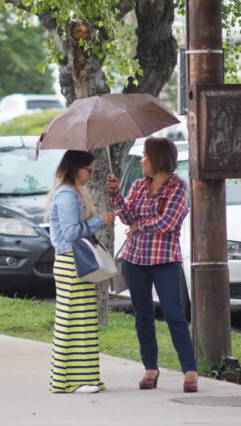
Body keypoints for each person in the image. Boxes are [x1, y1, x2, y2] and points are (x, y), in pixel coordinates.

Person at [107, 136, 198, 392]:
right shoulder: (137, 185)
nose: (142, 160)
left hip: (165, 261)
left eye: (146, 156)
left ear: (158, 159)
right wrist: (116, 195)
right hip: (135, 260)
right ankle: (150, 368)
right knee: (142, 316)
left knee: (174, 315)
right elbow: (127, 219)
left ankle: (189, 370)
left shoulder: (177, 187)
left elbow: (168, 222)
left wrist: (140, 225)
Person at [47, 150, 114, 394]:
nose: (90, 176)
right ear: (75, 168)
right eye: (88, 171)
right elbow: (71, 233)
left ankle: (84, 377)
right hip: (70, 263)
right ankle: (69, 380)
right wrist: (99, 220)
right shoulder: (66, 194)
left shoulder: (71, 192)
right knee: (72, 322)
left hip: (73, 263)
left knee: (82, 321)